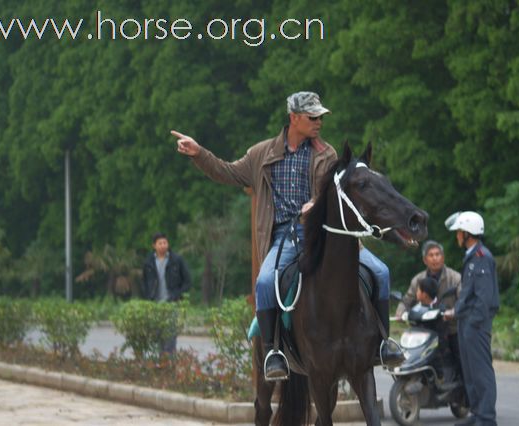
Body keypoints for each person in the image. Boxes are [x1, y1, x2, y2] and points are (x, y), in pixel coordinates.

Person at [171, 91, 403, 381]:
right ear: (294, 118)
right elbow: (227, 172)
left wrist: (317, 205)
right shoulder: (260, 154)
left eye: (320, 116)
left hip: (327, 235)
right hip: (284, 236)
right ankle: (273, 353)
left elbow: (336, 196)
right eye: (312, 117)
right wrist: (199, 153)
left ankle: (383, 345)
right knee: (266, 282)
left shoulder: (327, 153)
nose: (319, 122)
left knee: (381, 271)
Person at [443, 211, 499, 426]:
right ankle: (477, 413)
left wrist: (474, 321)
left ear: (467, 233)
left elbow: (484, 297)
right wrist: (455, 311)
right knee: (470, 372)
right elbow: (468, 293)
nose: (457, 236)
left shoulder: (481, 257)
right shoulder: (471, 257)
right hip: (466, 322)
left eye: (459, 232)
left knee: (481, 372)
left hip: (476, 323)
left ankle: (486, 418)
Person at [396, 240, 462, 381]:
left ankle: (464, 394)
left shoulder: (455, 278)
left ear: (443, 257)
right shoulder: (418, 280)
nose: (435, 258)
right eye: (431, 255)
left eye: (438, 254)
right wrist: (400, 312)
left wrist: (454, 312)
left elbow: (463, 301)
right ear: (425, 260)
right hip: (424, 329)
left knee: (461, 360)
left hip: (451, 328)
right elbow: (407, 300)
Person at [142, 232, 192, 354]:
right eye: (160, 243)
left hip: (171, 304)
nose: (163, 245)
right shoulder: (148, 263)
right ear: (154, 245)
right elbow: (144, 283)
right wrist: (148, 298)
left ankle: (169, 365)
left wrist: (177, 295)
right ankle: (161, 365)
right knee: (158, 337)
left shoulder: (176, 260)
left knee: (170, 337)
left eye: (165, 242)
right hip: (155, 305)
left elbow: (188, 281)